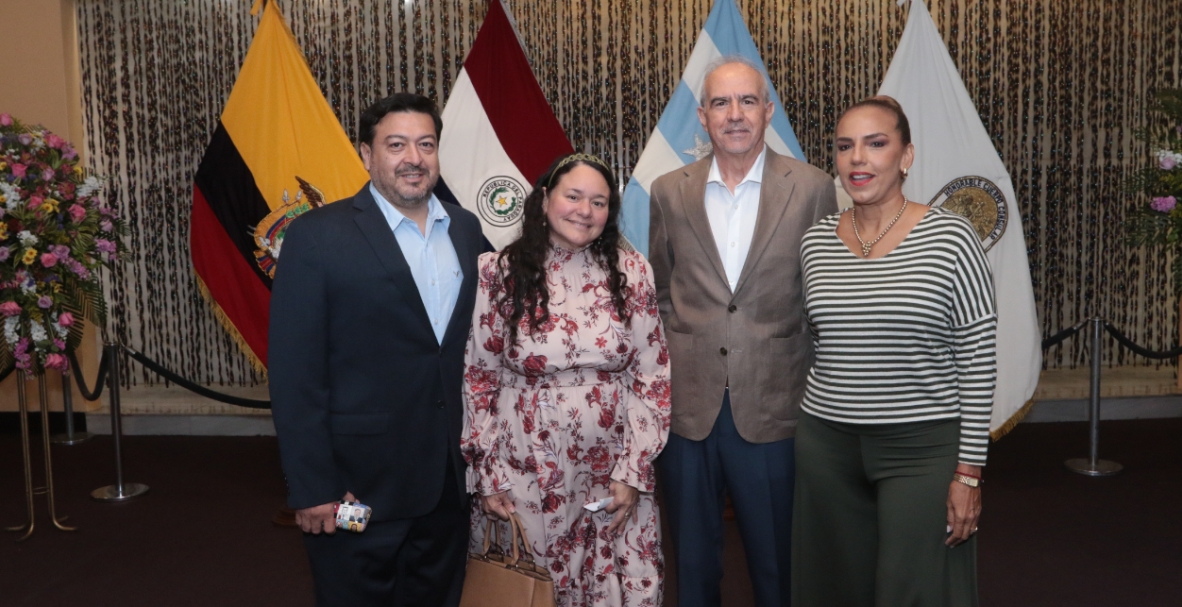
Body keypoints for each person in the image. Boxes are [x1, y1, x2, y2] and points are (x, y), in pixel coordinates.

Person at [269, 93, 484, 607]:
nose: (414, 157)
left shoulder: (468, 231)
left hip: (448, 485)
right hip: (355, 489)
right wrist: (313, 486)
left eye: (426, 144)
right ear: (366, 155)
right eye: (396, 144)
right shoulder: (316, 237)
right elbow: (295, 374)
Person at [647, 56, 838, 607]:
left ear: (768, 111)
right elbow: (661, 291)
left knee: (778, 558)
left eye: (748, 101)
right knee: (693, 559)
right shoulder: (667, 190)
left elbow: (818, 296)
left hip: (775, 404)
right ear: (702, 117)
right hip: (689, 407)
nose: (735, 115)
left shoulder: (814, 188)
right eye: (722, 104)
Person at [792, 95, 996, 606]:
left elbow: (978, 359)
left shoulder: (952, 237)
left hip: (922, 451)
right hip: (827, 446)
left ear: (905, 156)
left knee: (917, 588)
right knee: (834, 586)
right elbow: (818, 342)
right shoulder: (814, 241)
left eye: (875, 143)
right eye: (844, 147)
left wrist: (968, 472)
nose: (857, 158)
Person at [462, 152, 671, 607]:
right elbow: (480, 376)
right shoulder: (499, 273)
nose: (585, 210)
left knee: (619, 583)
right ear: (544, 199)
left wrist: (634, 470)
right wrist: (488, 471)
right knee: (535, 586)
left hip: (613, 465)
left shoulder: (632, 272)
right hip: (525, 467)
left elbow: (651, 376)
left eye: (599, 202)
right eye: (573, 196)